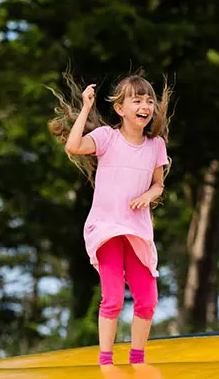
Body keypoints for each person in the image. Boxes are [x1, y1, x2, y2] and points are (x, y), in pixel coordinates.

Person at [48, 73, 171, 365]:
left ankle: (137, 359)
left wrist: (149, 196)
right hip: (106, 229)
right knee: (113, 298)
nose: (145, 105)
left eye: (149, 100)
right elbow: (73, 147)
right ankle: (105, 361)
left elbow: (159, 184)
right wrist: (86, 108)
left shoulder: (156, 146)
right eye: (137, 100)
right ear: (120, 109)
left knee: (148, 300)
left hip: (137, 231)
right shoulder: (106, 138)